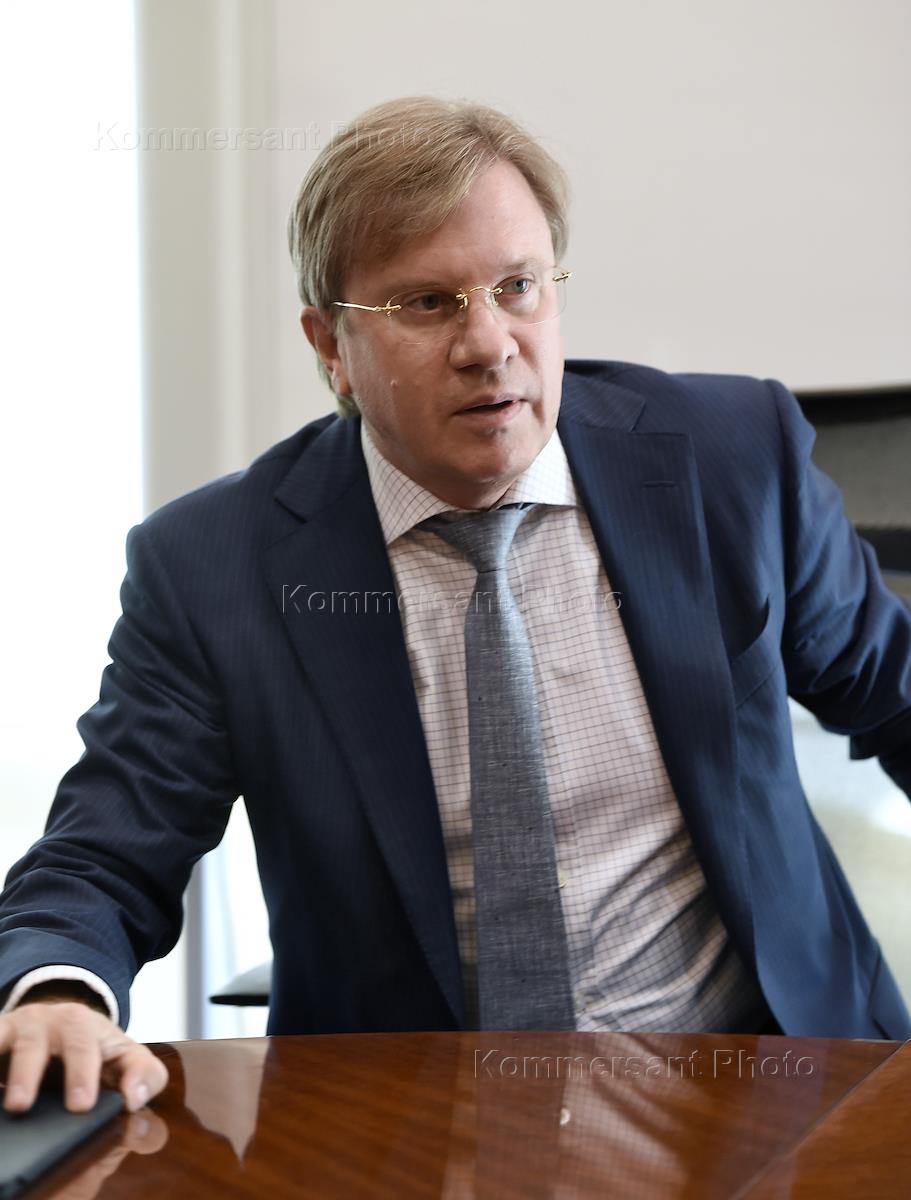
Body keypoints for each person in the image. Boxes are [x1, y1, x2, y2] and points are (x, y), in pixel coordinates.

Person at [2, 96, 910, 1117]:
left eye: (517, 286)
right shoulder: (214, 568)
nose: (488, 343)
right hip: (404, 1126)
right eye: (425, 304)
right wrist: (59, 993)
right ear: (331, 343)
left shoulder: (729, 459)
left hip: (768, 1086)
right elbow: (105, 850)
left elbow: (895, 695)